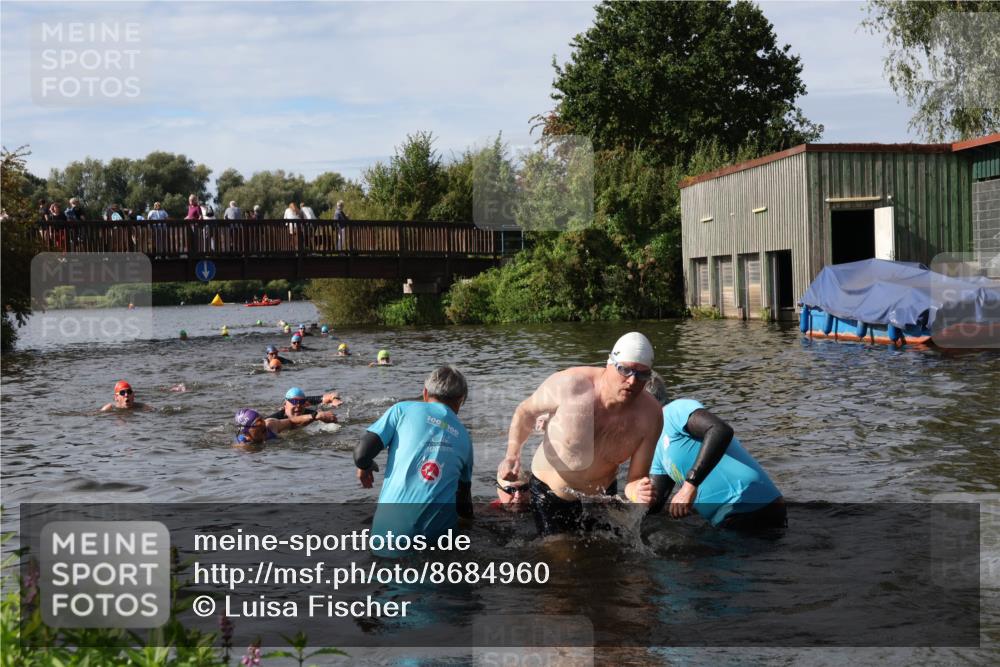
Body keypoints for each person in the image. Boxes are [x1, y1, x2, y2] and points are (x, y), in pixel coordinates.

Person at [498, 332, 663, 536]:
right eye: (625, 370)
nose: (632, 381)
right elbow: (525, 412)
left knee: (607, 562)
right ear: (609, 363)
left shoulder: (651, 415)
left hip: (602, 498)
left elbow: (635, 478)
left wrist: (638, 491)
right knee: (560, 555)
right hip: (551, 493)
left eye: (642, 375)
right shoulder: (570, 385)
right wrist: (512, 454)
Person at [354, 365, 473, 555]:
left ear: (425, 393)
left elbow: (361, 454)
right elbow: (464, 503)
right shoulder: (465, 438)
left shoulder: (401, 410)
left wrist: (366, 465)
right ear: (461, 400)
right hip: (438, 542)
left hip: (388, 537)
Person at [644, 372, 786, 530]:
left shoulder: (674, 411)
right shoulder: (655, 443)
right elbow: (654, 506)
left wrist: (689, 485)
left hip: (747, 504)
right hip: (730, 516)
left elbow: (719, 430)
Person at [232, 408, 317, 449]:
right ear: (246, 431)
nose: (263, 424)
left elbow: (291, 421)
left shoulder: (270, 425)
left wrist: (314, 416)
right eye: (258, 423)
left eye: (262, 419)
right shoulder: (243, 446)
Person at [266, 387, 341, 423]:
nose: (298, 405)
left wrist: (335, 399)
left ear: (305, 403)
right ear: (285, 404)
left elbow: (333, 394)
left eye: (301, 401)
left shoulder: (312, 413)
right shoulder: (276, 418)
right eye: (294, 401)